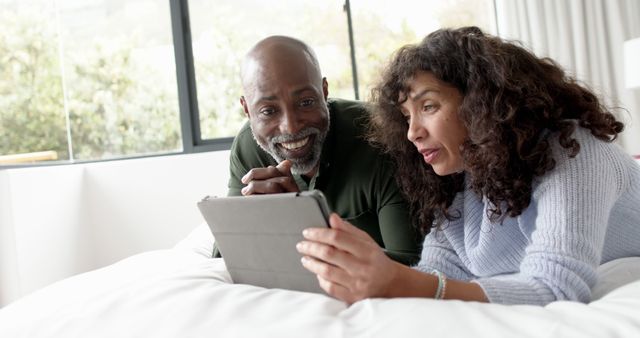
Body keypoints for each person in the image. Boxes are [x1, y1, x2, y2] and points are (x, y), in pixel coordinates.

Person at [296, 26, 640, 305]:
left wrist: (400, 280)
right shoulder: (462, 179)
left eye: (428, 106)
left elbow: (556, 287)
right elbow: (437, 271)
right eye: (406, 117)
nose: (413, 133)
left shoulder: (572, 150)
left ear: (482, 103)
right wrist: (371, 270)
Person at [216, 35, 421, 265]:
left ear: (324, 92)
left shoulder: (380, 137)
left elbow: (413, 267)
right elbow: (224, 257)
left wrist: (298, 225)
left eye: (305, 103)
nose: (291, 127)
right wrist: (267, 221)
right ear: (246, 108)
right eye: (268, 111)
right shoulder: (248, 148)